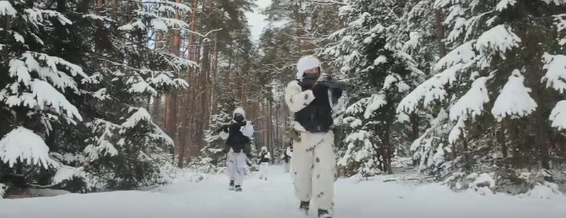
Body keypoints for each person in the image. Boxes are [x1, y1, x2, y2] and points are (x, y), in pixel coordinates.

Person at [284, 55, 344, 218]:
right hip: (302, 136)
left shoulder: (325, 87)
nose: (313, 72)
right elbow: (293, 104)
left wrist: (336, 95)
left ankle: (323, 208)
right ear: (302, 71)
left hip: (324, 135)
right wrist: (312, 92)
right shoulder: (294, 85)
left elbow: (337, 108)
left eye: (315, 69)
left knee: (325, 171)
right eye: (309, 70)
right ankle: (303, 202)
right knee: (302, 172)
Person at [219, 107, 254, 192]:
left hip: (242, 150)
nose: (238, 116)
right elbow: (224, 137)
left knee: (240, 167)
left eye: (239, 115)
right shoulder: (230, 126)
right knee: (231, 167)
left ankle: (238, 184)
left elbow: (249, 133)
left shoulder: (246, 125)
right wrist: (224, 131)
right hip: (231, 149)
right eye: (236, 115)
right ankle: (232, 181)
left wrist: (243, 127)